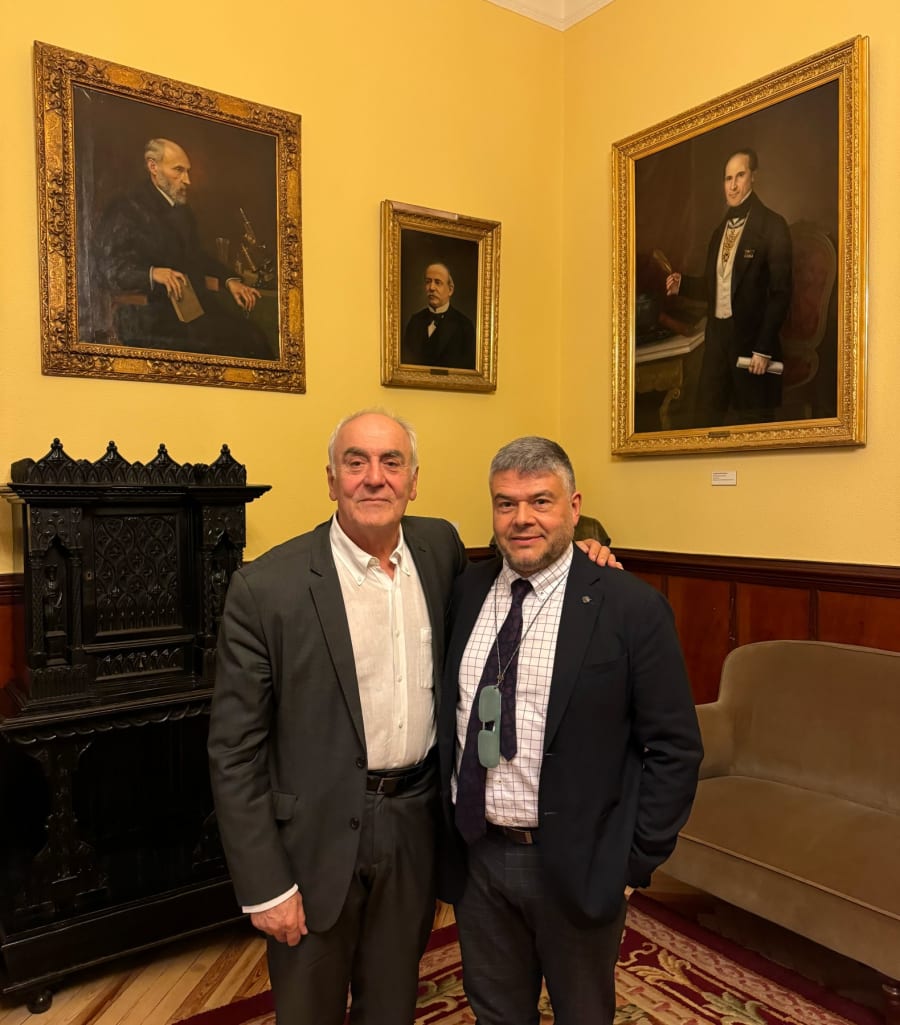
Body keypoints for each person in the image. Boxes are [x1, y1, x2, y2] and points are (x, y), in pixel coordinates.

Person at [208, 410, 620, 1025]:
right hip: (313, 837)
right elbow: (233, 751)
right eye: (357, 462)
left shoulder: (440, 549)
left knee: (393, 999)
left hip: (415, 820)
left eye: (391, 462)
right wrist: (264, 884)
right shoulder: (267, 588)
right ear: (331, 479)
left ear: (413, 480)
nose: (375, 479)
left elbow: (524, 569)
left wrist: (586, 553)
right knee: (309, 1009)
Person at [437, 436, 703, 1025]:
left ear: (575, 506)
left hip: (580, 862)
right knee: (496, 1012)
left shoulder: (631, 607)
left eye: (541, 501)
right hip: (479, 854)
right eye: (505, 504)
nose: (522, 518)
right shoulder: (466, 591)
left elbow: (675, 748)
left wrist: (633, 863)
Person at [93, 138, 275, 359]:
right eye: (178, 170)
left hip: (193, 310)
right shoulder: (125, 207)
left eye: (187, 171)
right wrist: (152, 274)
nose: (187, 180)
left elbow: (196, 255)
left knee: (253, 338)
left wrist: (230, 281)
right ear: (153, 167)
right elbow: (108, 269)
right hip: (147, 315)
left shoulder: (182, 211)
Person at [667, 148, 792, 426]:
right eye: (727, 178)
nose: (733, 186)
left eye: (740, 176)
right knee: (705, 422)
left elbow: (781, 294)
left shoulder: (773, 226)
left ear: (753, 177)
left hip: (752, 342)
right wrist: (683, 284)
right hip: (717, 342)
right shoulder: (719, 232)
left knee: (754, 428)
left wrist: (763, 349)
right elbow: (716, 286)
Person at [401, 262, 477, 369]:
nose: (431, 287)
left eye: (438, 282)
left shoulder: (464, 326)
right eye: (428, 282)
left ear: (450, 290)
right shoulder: (415, 322)